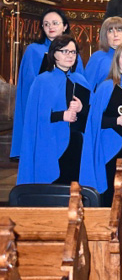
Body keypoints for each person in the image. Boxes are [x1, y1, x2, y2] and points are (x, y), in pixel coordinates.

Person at [79, 42, 122, 266]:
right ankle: (112, 246)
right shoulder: (106, 86)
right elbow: (95, 121)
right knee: (112, 201)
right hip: (112, 152)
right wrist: (116, 121)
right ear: (117, 61)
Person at [17, 34, 91, 185]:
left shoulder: (81, 80)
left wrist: (83, 108)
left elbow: (93, 114)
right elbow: (35, 117)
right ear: (53, 54)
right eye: (64, 51)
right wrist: (62, 115)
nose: (69, 56)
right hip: (51, 142)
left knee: (74, 190)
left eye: (73, 52)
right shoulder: (42, 81)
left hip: (76, 143)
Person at [11, 8, 83, 159]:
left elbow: (81, 85)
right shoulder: (33, 50)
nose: (51, 27)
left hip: (69, 113)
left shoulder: (72, 50)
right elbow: (28, 86)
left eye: (55, 23)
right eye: (46, 24)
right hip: (45, 111)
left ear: (64, 26)